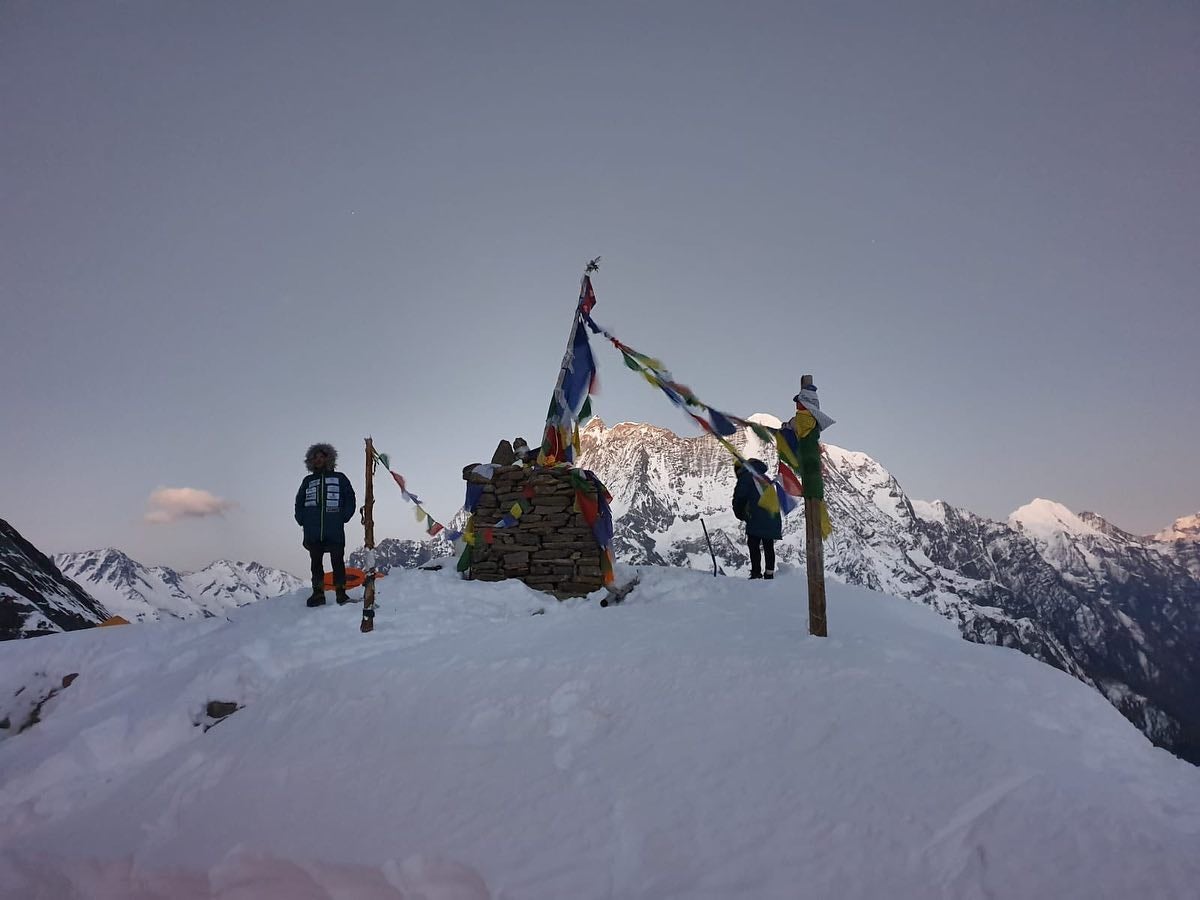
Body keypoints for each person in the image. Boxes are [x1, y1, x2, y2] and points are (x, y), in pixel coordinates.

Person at [294, 443, 357, 607]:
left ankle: (341, 593)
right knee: (315, 563)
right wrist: (301, 519)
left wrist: (344, 515)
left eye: (322, 457)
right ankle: (318, 593)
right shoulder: (307, 481)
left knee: (337, 561)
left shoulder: (340, 478)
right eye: (315, 458)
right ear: (311, 461)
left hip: (334, 528)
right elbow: (299, 501)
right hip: (312, 530)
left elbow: (350, 497)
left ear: (329, 459)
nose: (319, 460)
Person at [732, 458, 782, 579]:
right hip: (772, 517)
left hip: (756, 516)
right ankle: (769, 573)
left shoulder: (746, 478)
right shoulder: (764, 478)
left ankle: (756, 573)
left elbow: (740, 497)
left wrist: (739, 513)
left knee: (753, 543)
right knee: (768, 544)